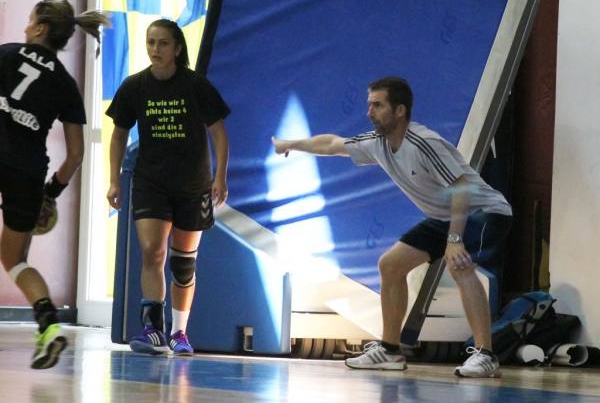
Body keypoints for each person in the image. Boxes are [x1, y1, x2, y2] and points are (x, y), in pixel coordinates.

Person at [272, 77, 512, 378]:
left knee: (460, 265)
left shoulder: (423, 142)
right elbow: (332, 144)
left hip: (485, 211)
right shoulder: (378, 143)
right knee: (391, 265)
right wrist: (292, 144)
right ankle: (390, 350)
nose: (369, 112)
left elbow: (462, 187)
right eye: (369, 105)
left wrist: (454, 240)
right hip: (446, 215)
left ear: (399, 110)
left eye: (378, 105)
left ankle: (486, 355)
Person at [106, 19, 230, 356]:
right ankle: (152, 330)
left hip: (193, 185)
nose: (155, 49)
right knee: (152, 251)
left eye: (162, 43)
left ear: (177, 48)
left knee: (183, 264)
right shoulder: (134, 86)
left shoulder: (195, 85)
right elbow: (118, 134)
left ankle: (179, 332)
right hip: (151, 182)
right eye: (150, 42)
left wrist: (220, 176)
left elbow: (218, 133)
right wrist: (114, 179)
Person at [0, 0, 109, 369]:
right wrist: (51, 193)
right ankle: (49, 326)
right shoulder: (66, 83)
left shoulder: (6, 54)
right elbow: (76, 155)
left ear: (40, 28)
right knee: (14, 259)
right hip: (28, 172)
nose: (25, 26)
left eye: (30, 20)